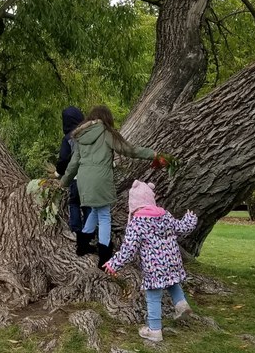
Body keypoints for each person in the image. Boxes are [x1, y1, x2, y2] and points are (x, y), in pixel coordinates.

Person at [59, 105, 159, 267]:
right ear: (107, 118)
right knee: (104, 215)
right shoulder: (106, 133)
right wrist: (152, 154)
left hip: (84, 181)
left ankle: (82, 245)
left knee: (95, 211)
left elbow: (73, 163)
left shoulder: (80, 136)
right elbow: (129, 150)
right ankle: (105, 257)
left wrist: (64, 182)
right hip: (100, 180)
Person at [103, 180, 197, 343]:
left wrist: (113, 263)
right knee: (173, 283)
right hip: (173, 261)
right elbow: (181, 228)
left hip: (154, 267)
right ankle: (181, 304)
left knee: (153, 296)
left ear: (134, 205)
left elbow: (129, 249)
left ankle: (154, 330)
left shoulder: (137, 224)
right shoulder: (165, 215)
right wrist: (190, 220)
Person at [55, 106, 89, 243]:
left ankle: (76, 230)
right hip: (91, 175)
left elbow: (63, 158)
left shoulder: (68, 138)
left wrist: (60, 172)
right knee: (88, 204)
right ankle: (89, 231)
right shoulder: (89, 133)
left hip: (75, 177)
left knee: (74, 202)